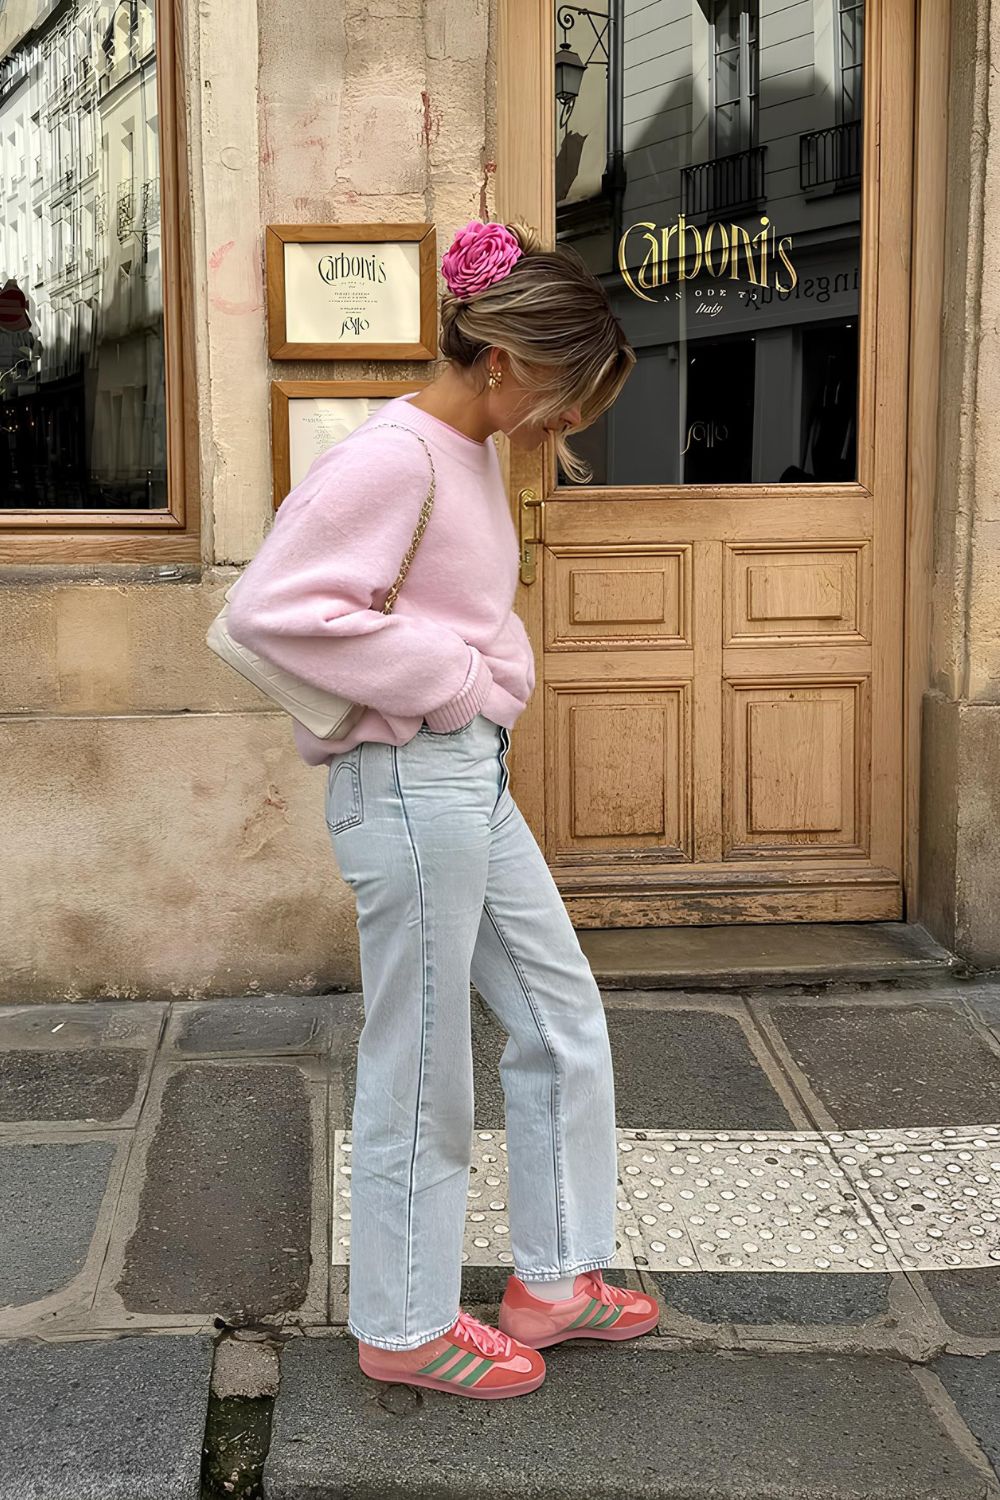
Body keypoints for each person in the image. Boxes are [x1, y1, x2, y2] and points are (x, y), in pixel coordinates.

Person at [226, 219, 660, 1400]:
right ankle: (406, 1324)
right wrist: (456, 678)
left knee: (560, 1011)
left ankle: (554, 1276)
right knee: (421, 1058)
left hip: (463, 775)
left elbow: (444, 603)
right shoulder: (396, 456)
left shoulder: (464, 452)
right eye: (565, 392)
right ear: (507, 362)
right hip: (412, 780)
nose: (566, 423)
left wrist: (482, 674)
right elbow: (273, 609)